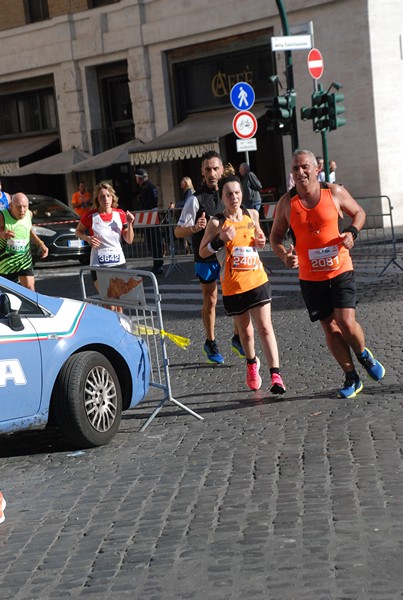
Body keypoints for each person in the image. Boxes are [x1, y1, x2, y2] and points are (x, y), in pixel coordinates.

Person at [270, 149, 385, 399]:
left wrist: (352, 233)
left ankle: (363, 354)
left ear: (316, 169)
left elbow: (359, 213)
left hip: (340, 267)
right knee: (329, 328)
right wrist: (284, 256)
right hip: (311, 277)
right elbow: (275, 237)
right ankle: (351, 377)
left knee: (345, 321)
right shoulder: (286, 203)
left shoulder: (333, 192)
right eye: (295, 168)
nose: (300, 172)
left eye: (304, 167)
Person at [199, 175, 286, 394]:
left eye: (237, 193)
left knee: (265, 326)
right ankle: (251, 363)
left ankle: (276, 375)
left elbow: (258, 237)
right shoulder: (217, 221)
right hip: (233, 285)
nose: (234, 197)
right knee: (246, 333)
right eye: (229, 194)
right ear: (223, 197)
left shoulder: (252, 214)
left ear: (242, 194)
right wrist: (219, 241)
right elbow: (201, 252)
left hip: (257, 279)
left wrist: (261, 240)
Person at [174, 150, 244, 364]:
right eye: (208, 169)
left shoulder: (229, 193)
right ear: (202, 173)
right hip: (205, 256)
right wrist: (194, 228)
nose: (212, 173)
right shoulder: (195, 200)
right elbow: (178, 231)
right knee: (211, 300)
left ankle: (237, 337)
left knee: (235, 296)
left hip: (229, 254)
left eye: (216, 168)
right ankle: (210, 342)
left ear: (222, 170)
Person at [75, 181, 134, 311]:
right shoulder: (91, 216)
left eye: (108, 195)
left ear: (112, 197)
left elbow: (129, 240)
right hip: (99, 264)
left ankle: (120, 329)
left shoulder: (120, 214)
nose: (105, 199)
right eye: (102, 196)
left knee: (119, 302)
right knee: (109, 301)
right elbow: (77, 231)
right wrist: (87, 238)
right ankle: (109, 329)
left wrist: (129, 224)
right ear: (97, 199)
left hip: (118, 261)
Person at [0, 192, 48, 290]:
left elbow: (29, 229)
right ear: (11, 206)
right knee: (6, 294)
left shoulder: (29, 214)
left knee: (30, 289)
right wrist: (2, 234)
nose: (22, 210)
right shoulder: (2, 216)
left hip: (24, 259)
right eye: (18, 207)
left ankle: (32, 306)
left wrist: (40, 243)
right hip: (5, 262)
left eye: (25, 206)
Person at [135, 168, 164, 275]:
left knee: (153, 242)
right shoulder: (151, 186)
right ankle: (158, 263)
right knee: (154, 241)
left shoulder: (146, 188)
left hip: (149, 217)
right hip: (152, 216)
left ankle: (158, 264)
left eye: (136, 178)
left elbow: (146, 205)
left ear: (139, 178)